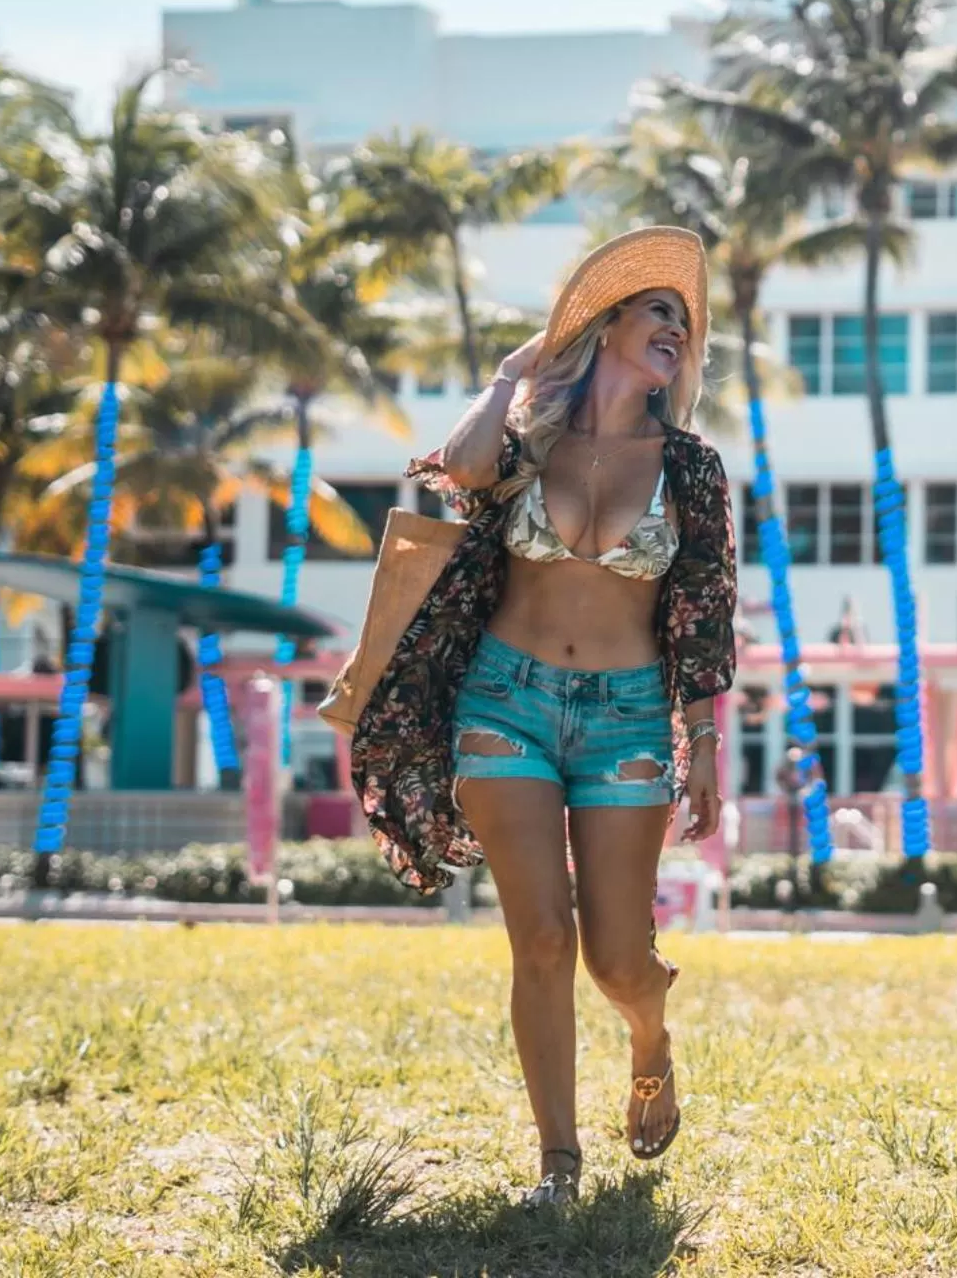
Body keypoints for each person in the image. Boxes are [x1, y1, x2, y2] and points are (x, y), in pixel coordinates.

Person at [350, 226, 738, 1206]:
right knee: (541, 939)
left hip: (631, 715)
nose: (674, 332)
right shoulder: (529, 440)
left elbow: (703, 607)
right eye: (657, 311)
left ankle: (650, 1031)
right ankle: (558, 1161)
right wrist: (514, 369)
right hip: (503, 701)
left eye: (683, 324)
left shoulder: (690, 465)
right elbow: (467, 466)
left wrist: (707, 742)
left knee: (617, 953)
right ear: (606, 325)